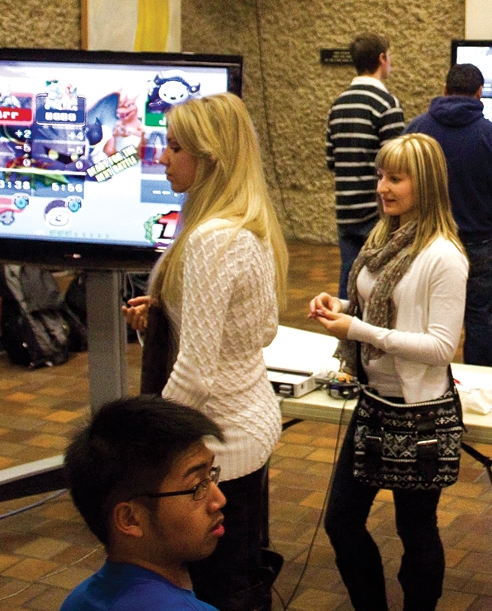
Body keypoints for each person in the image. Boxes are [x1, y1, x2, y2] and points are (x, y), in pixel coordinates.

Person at [124, 93, 287, 611]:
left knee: (222, 587)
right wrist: (169, 313)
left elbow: (195, 374)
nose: (162, 157)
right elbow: (259, 330)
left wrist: (145, 447)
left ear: (210, 157)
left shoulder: (212, 239)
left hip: (222, 443)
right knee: (239, 573)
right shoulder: (244, 224)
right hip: (247, 429)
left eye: (175, 147)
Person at [310, 132, 468, 611]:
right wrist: (339, 307)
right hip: (374, 402)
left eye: (395, 178)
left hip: (420, 412)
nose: (382, 187)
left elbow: (440, 347)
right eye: (380, 176)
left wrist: (357, 329)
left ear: (426, 184)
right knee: (341, 521)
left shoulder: (444, 256)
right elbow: (377, 308)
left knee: (415, 529)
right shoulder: (383, 240)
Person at [404, 63, 492, 366]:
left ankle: (424, 379)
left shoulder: (416, 130)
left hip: (425, 239)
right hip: (479, 243)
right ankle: (480, 381)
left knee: (420, 313)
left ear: (445, 90)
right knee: (478, 317)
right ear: (480, 92)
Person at [61, 395, 230, 611]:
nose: (219, 499)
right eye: (197, 486)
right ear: (131, 519)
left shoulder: (77, 601)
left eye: (211, 475)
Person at [327, 33, 406, 298]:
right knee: (381, 280)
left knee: (349, 276)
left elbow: (331, 159)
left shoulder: (337, 104)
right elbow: (397, 163)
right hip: (377, 210)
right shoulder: (386, 103)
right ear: (382, 59)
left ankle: (343, 320)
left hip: (345, 209)